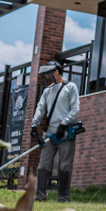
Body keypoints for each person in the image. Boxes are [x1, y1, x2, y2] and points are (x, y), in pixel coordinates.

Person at [31, 60, 80, 203]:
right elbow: (40, 109)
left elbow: (75, 109)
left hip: (65, 133)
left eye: (48, 74)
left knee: (65, 164)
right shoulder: (47, 91)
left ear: (56, 72)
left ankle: (63, 196)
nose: (46, 78)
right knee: (43, 164)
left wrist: (64, 124)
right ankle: (40, 195)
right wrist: (34, 126)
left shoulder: (70, 87)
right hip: (49, 135)